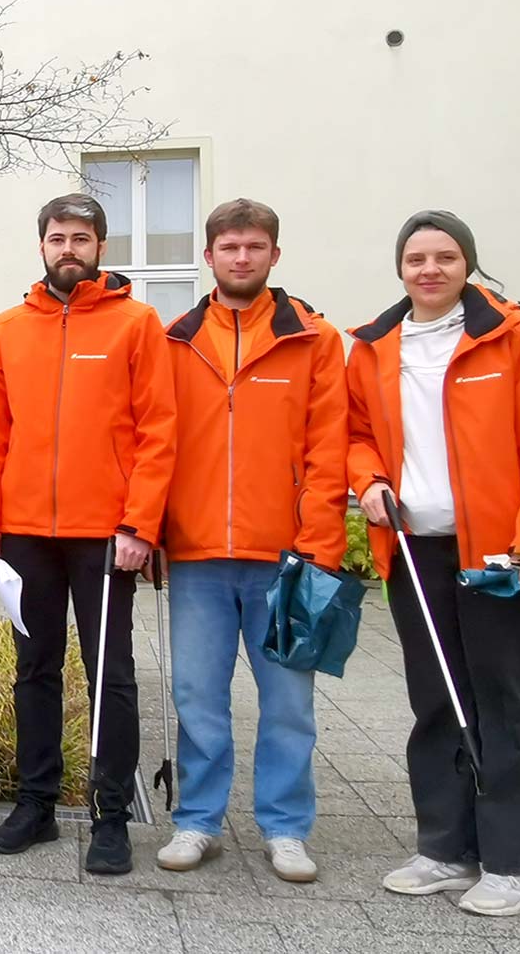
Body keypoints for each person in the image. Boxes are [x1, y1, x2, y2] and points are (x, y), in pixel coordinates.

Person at [349, 211, 520, 917]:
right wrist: (369, 484)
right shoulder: (374, 346)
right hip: (417, 549)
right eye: (416, 257)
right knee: (438, 700)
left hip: (503, 554)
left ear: (468, 264)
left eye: (445, 256)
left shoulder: (517, 334)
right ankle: (445, 847)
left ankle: (512, 861)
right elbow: (355, 433)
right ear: (400, 268)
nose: (430, 269)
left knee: (506, 704)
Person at [0, 194, 175, 875]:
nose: (68, 249)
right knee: (35, 670)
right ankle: (36, 804)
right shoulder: (5, 330)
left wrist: (141, 522)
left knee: (110, 673)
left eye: (80, 238)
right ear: (42, 245)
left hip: (105, 535)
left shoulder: (137, 324)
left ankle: (109, 814)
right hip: (24, 535)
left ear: (101, 248)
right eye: (57, 237)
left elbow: (158, 431)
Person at [155, 200, 347, 882]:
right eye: (229, 246)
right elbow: (157, 441)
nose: (242, 257)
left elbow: (329, 449)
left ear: (274, 255)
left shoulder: (314, 339)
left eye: (255, 246)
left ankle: (286, 826)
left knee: (290, 702)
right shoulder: (175, 338)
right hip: (199, 555)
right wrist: (153, 530)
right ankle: (198, 820)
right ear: (208, 256)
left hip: (285, 557)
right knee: (197, 696)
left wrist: (319, 542)